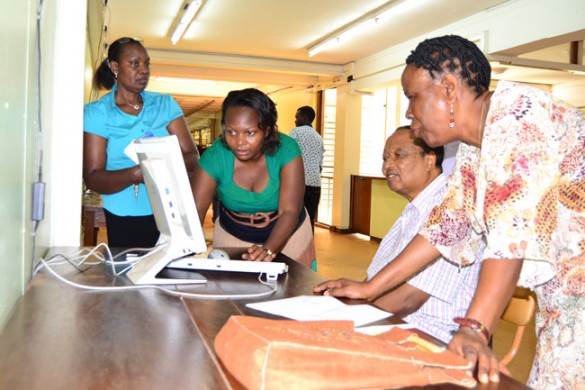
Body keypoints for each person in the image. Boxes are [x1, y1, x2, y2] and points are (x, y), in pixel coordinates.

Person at [314, 35, 584, 389]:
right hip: (564, 296)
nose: (409, 111)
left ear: (450, 89)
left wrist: (474, 328)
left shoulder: (519, 115)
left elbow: (509, 236)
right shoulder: (475, 148)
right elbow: (447, 226)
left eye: (413, 96)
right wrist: (369, 288)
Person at [366, 126, 479, 344]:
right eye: (385, 158)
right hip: (397, 325)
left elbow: (408, 299)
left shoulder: (450, 209)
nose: (387, 165)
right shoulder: (414, 209)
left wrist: (345, 317)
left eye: (398, 155)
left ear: (430, 159)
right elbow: (372, 279)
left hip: (429, 339)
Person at [83, 37, 199, 248]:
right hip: (124, 212)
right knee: (130, 274)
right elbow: (93, 177)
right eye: (135, 63)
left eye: (146, 63)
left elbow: (191, 156)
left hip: (172, 208)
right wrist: (138, 173)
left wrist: (157, 167)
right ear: (115, 67)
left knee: (171, 276)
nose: (144, 70)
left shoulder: (165, 104)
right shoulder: (97, 114)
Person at [191, 88, 316, 266]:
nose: (239, 141)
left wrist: (268, 250)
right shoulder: (214, 157)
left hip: (288, 234)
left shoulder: (287, 150)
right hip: (232, 233)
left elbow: (289, 211)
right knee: (232, 290)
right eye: (231, 132)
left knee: (292, 289)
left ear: (266, 130)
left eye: (249, 132)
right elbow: (195, 212)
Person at [290, 106, 325, 231]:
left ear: (304, 117)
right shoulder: (319, 137)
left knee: (294, 219)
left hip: (299, 185)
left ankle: (294, 249)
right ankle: (308, 248)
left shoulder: (296, 132)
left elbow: (288, 156)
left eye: (297, 117)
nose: (295, 120)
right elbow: (320, 165)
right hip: (315, 185)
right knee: (309, 220)